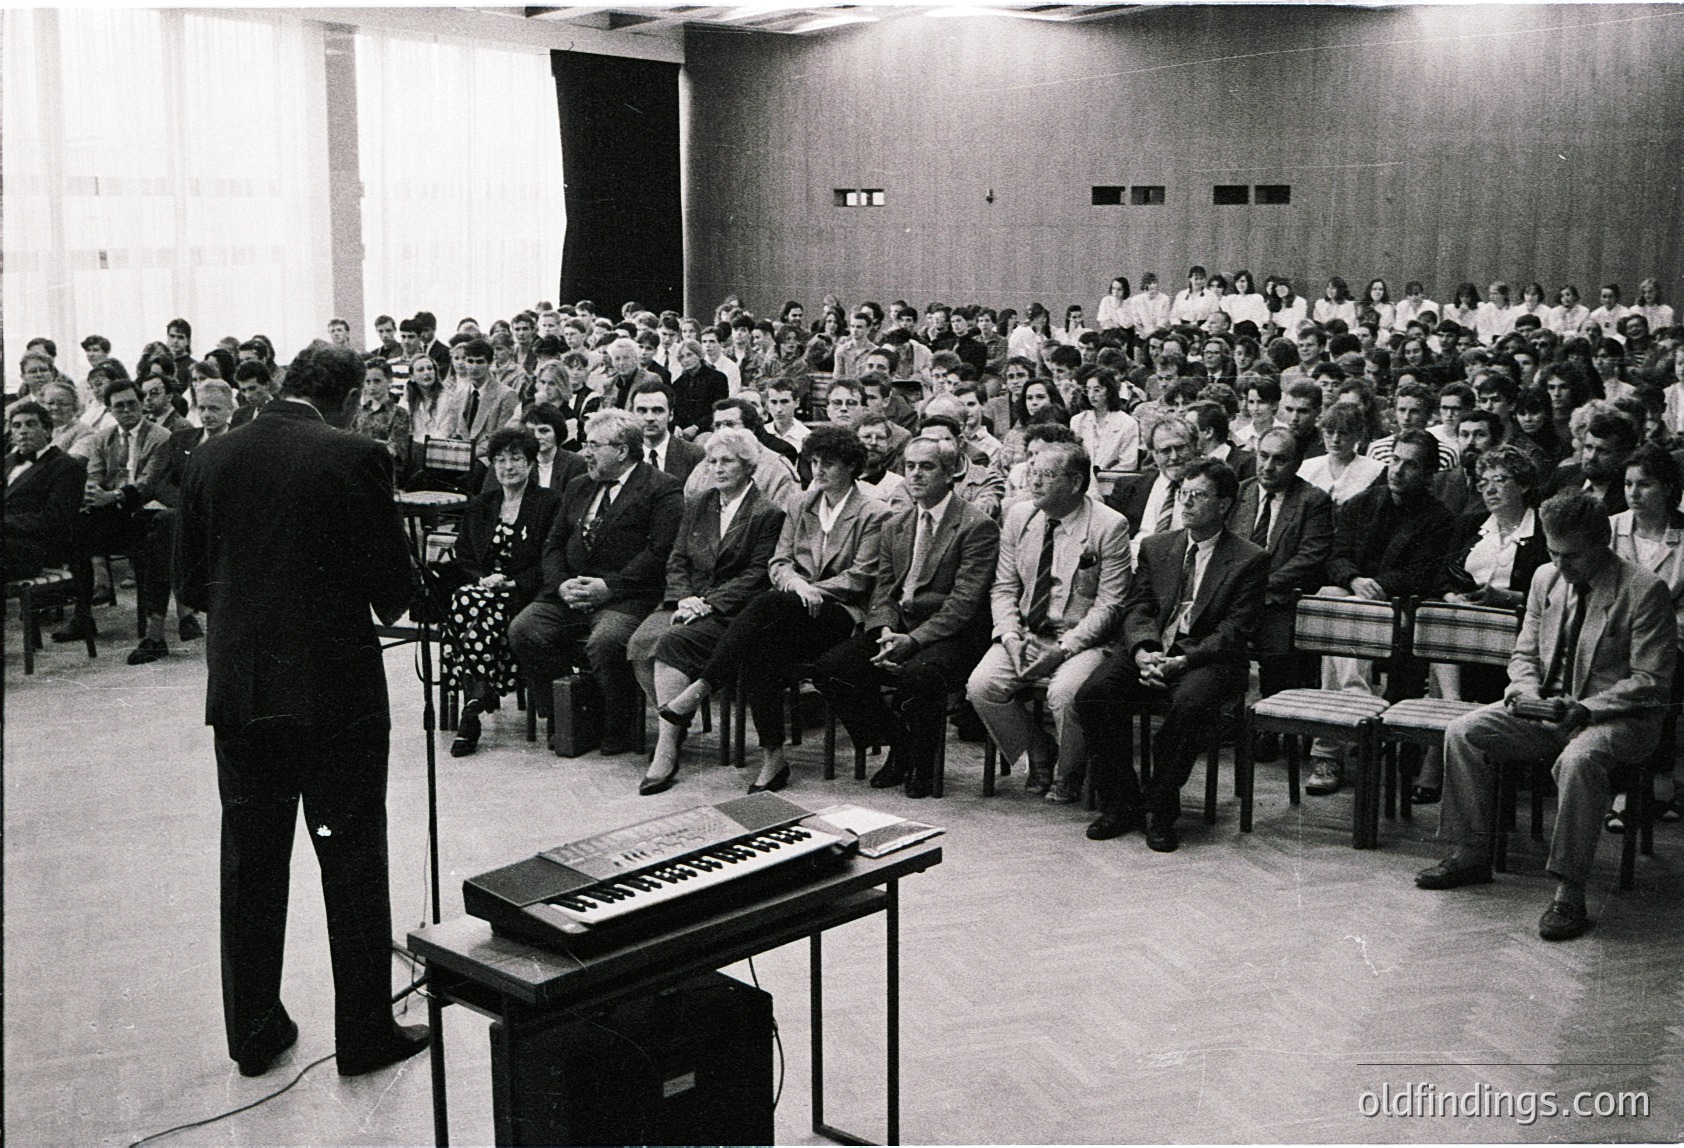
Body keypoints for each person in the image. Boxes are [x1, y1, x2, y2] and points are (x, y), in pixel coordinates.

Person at [172, 341, 424, 1078]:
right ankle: (365, 1034)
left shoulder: (211, 456)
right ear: (347, 397)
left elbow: (188, 587)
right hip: (333, 696)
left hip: (244, 696)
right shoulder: (354, 453)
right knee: (350, 857)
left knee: (250, 864)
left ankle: (254, 1032)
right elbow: (392, 593)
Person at [1415, 492, 1675, 942]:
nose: (1561, 564)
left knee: (1578, 762)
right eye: (1553, 552)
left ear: (1603, 543)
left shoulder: (1643, 590)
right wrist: (1523, 692)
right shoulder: (1545, 578)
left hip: (1618, 719)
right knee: (1463, 731)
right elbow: (1525, 653)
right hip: (1547, 708)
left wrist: (1586, 707)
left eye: (1571, 555)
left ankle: (1569, 891)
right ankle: (1473, 851)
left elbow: (1651, 681)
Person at [659, 425, 891, 793]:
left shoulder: (873, 511)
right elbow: (779, 562)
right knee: (758, 649)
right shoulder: (801, 503)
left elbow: (860, 577)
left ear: (851, 466)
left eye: (828, 464)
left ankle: (703, 685)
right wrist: (797, 585)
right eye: (813, 461)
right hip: (794, 606)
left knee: (765, 603)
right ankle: (773, 757)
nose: (818, 471)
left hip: (840, 614)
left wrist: (811, 589)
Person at [1077, 459, 1269, 851]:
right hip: (1153, 649)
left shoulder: (1249, 558)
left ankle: (1161, 807)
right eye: (1184, 493)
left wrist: (1182, 660)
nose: (1187, 503)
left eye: (1198, 496)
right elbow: (1138, 607)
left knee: (1189, 704)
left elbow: (1234, 630)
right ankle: (1122, 802)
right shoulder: (1157, 546)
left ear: (1224, 504)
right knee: (1093, 695)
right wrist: (1145, 650)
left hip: (1208, 659)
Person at [816, 436, 1001, 797]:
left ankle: (924, 762)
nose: (915, 474)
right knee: (833, 669)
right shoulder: (895, 524)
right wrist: (883, 629)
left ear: (951, 473)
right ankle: (900, 744)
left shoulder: (975, 526)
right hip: (898, 624)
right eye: (910, 466)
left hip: (952, 634)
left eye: (927, 467)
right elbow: (884, 589)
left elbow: (963, 604)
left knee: (919, 675)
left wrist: (912, 641)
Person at [507, 409, 685, 756]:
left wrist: (610, 587)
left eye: (593, 445)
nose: (585, 452)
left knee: (606, 641)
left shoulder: (661, 488)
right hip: (571, 593)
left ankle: (615, 724)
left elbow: (660, 553)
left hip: (626, 597)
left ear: (621, 450)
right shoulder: (578, 485)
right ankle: (567, 712)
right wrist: (560, 584)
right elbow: (554, 543)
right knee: (524, 629)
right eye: (585, 443)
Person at [967, 441, 1133, 800]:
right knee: (982, 687)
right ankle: (1039, 751)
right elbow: (1004, 588)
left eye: (1045, 475)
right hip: (1028, 631)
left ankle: (1069, 773)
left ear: (1075, 482)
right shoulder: (1018, 515)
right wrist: (1010, 636)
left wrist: (1062, 651)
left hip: (1082, 638)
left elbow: (1110, 606)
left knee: (1065, 692)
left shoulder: (1109, 525)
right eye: (1032, 472)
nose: (1034, 482)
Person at [628, 428, 786, 795]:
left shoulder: (767, 513)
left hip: (731, 610)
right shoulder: (699, 502)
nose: (718, 468)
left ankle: (666, 748)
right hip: (687, 602)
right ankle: (675, 726)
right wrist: (685, 597)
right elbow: (678, 557)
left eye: (727, 461)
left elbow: (756, 574)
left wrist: (709, 603)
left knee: (672, 642)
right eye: (712, 461)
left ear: (748, 466)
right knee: (639, 644)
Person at [1306, 430, 1457, 795]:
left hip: (1404, 610)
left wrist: (1376, 587)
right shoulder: (1361, 504)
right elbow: (1336, 555)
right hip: (1358, 600)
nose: (1398, 470)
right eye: (1394, 460)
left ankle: (1330, 746)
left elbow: (1420, 574)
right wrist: (1354, 579)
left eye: (1410, 464)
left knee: (1344, 612)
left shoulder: (1439, 518)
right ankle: (1356, 712)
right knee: (1336, 604)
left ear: (1428, 473)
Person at [445, 428, 564, 757]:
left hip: (524, 594)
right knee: (469, 599)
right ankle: (477, 700)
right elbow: (464, 554)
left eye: (515, 459)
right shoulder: (483, 504)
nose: (507, 466)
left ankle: (474, 702)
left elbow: (551, 558)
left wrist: (512, 582)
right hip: (484, 591)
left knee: (467, 605)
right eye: (500, 459)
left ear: (530, 464)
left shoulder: (548, 502)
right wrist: (484, 579)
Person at [1228, 428, 1336, 744]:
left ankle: (1271, 725)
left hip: (1281, 598)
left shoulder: (1312, 500)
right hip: (1239, 597)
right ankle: (1226, 716)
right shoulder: (1241, 492)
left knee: (1276, 638)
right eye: (1264, 456)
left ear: (1297, 463)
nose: (1269, 466)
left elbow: (1310, 556)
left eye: (1280, 459)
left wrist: (1257, 588)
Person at [1604, 444, 1684, 829]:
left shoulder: (1682, 533)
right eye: (1628, 484)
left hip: (1672, 634)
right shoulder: (1612, 527)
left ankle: (1654, 782)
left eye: (1645, 484)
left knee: (1661, 671)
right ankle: (1627, 787)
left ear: (1668, 488)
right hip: (1615, 632)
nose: (1633, 493)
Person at [4, 400, 87, 583]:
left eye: (31, 424)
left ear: (47, 431)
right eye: (17, 426)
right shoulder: (7, 462)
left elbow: (55, 518)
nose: (23, 430)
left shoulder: (66, 466)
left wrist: (5, 522)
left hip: (34, 550)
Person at [1299, 403, 1386, 506]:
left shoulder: (1376, 470)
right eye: (1330, 432)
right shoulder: (1306, 468)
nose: (1335, 440)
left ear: (1358, 435)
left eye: (1344, 433)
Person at [629, 381, 705, 483]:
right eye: (642, 410)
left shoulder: (695, 456)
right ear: (632, 414)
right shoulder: (624, 457)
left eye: (657, 410)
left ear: (671, 415)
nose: (649, 418)